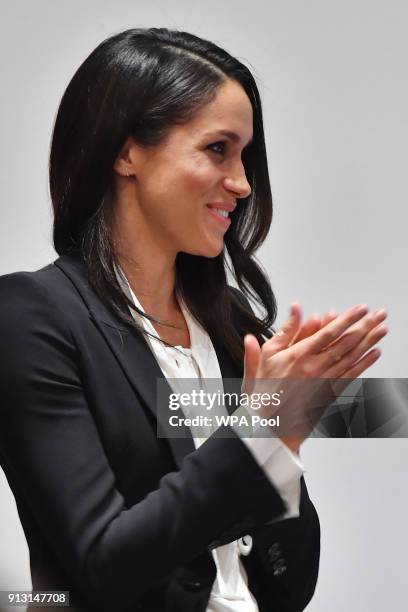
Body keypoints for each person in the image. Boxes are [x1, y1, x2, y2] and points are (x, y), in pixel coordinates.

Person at [0, 28, 387, 612]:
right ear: (126, 152)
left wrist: (283, 440)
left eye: (245, 155)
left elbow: (290, 587)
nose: (242, 183)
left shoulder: (232, 328)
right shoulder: (32, 317)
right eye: (217, 149)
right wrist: (258, 433)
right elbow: (101, 564)